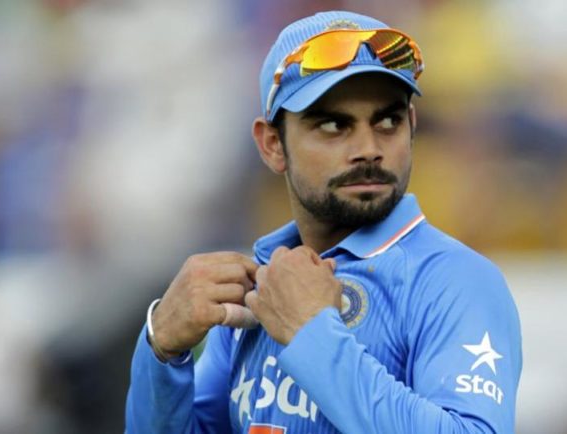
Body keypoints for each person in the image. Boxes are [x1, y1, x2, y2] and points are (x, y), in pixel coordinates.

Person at [126, 10, 522, 434]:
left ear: (411, 126)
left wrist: (312, 336)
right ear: (272, 144)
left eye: (387, 121)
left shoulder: (456, 280)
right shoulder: (258, 286)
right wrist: (161, 348)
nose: (369, 148)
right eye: (334, 125)